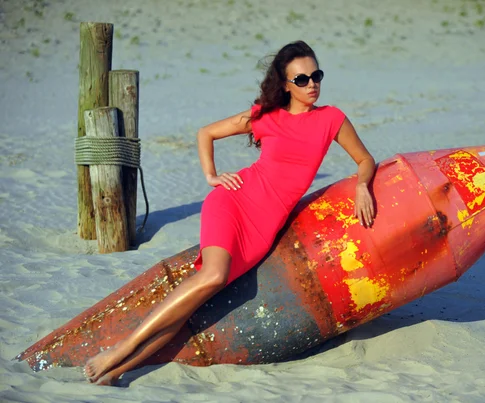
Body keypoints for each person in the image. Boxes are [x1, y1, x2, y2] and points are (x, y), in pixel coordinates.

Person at [83, 40, 376, 385]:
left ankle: (117, 370)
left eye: (316, 76)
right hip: (234, 202)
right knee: (213, 276)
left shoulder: (331, 119)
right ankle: (120, 348)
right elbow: (205, 133)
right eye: (302, 79)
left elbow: (365, 159)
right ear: (285, 85)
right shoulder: (266, 117)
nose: (312, 84)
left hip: (264, 227)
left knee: (198, 297)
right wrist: (212, 176)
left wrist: (362, 184)